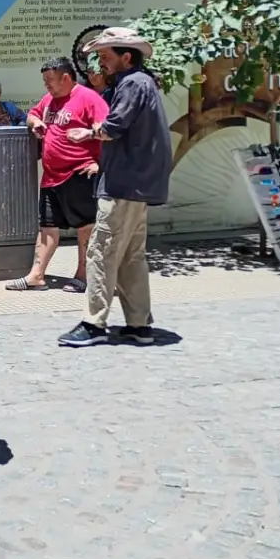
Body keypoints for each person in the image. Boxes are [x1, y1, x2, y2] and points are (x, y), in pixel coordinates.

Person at [57, 28, 172, 347]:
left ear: (126, 56)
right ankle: (139, 324)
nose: (101, 63)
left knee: (101, 251)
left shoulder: (134, 83)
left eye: (106, 57)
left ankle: (93, 323)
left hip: (123, 184)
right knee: (131, 255)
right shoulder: (140, 82)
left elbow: (114, 126)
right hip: (135, 184)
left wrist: (88, 134)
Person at [6, 57, 109, 293]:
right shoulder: (50, 99)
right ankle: (37, 275)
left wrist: (100, 165)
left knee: (85, 226)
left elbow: (107, 131)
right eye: (44, 80)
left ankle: (83, 275)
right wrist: (36, 123)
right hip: (52, 177)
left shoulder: (88, 98)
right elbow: (32, 113)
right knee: (47, 226)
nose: (46, 85)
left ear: (65, 77)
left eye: (49, 80)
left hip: (79, 173)